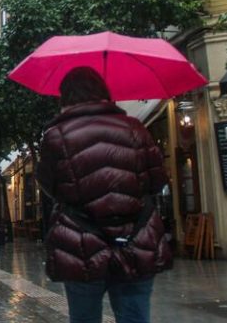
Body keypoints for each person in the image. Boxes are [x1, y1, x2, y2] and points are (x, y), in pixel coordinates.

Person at [37, 67, 172, 323]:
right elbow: (158, 181)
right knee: (135, 317)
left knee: (84, 318)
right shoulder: (136, 128)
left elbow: (49, 187)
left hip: (81, 246)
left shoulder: (56, 136)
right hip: (136, 241)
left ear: (65, 98)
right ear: (104, 93)